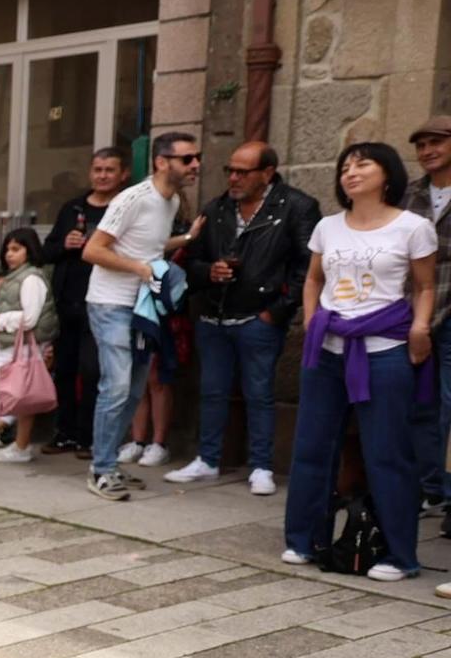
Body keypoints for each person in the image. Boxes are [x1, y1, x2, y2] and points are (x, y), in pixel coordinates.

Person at [284, 141, 438, 580]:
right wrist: (314, 323)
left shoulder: (413, 227)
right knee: (313, 448)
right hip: (328, 349)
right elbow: (313, 280)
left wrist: (420, 328)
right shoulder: (328, 227)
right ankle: (303, 540)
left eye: (362, 165)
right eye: (345, 167)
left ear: (386, 174)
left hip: (385, 349)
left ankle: (398, 555)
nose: (350, 172)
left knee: (387, 452)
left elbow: (425, 287)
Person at [164, 141, 318, 493]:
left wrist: (276, 312)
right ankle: (207, 459)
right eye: (229, 170)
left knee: (260, 392)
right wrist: (209, 273)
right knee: (212, 391)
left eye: (242, 172)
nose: (233, 178)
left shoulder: (296, 206)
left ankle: (262, 466)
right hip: (214, 315)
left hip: (258, 318)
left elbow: (308, 266)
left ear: (267, 173)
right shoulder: (216, 208)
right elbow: (191, 260)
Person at [80, 130, 202, 501]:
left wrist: (184, 240)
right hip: (109, 303)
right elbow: (92, 250)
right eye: (187, 159)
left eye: (197, 158)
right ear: (163, 162)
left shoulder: (172, 201)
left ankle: (109, 464)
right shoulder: (132, 198)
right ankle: (101, 469)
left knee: (132, 391)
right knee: (116, 388)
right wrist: (138, 268)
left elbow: (148, 245)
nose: (196, 164)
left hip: (141, 308)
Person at [41, 148, 128, 458]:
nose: (102, 175)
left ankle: (89, 436)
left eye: (109, 170)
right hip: (68, 302)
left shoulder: (123, 208)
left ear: (123, 174)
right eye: (98, 169)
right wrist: (65, 244)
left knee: (93, 370)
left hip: (104, 302)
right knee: (64, 368)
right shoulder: (72, 208)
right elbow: (47, 251)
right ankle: (63, 432)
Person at [403, 115, 451, 514]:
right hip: (414, 310)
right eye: (421, 145)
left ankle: (448, 493)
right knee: (418, 403)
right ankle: (426, 484)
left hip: (450, 310)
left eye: (436, 142)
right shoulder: (410, 193)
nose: (427, 151)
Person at [0, 228, 59, 464]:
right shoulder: (16, 277)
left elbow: (30, 318)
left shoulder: (31, 279)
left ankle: (21, 446)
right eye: (7, 249)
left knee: (23, 395)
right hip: (15, 345)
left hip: (26, 347)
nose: (9, 254)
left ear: (30, 250)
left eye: (16, 249)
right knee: (16, 394)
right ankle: (16, 441)